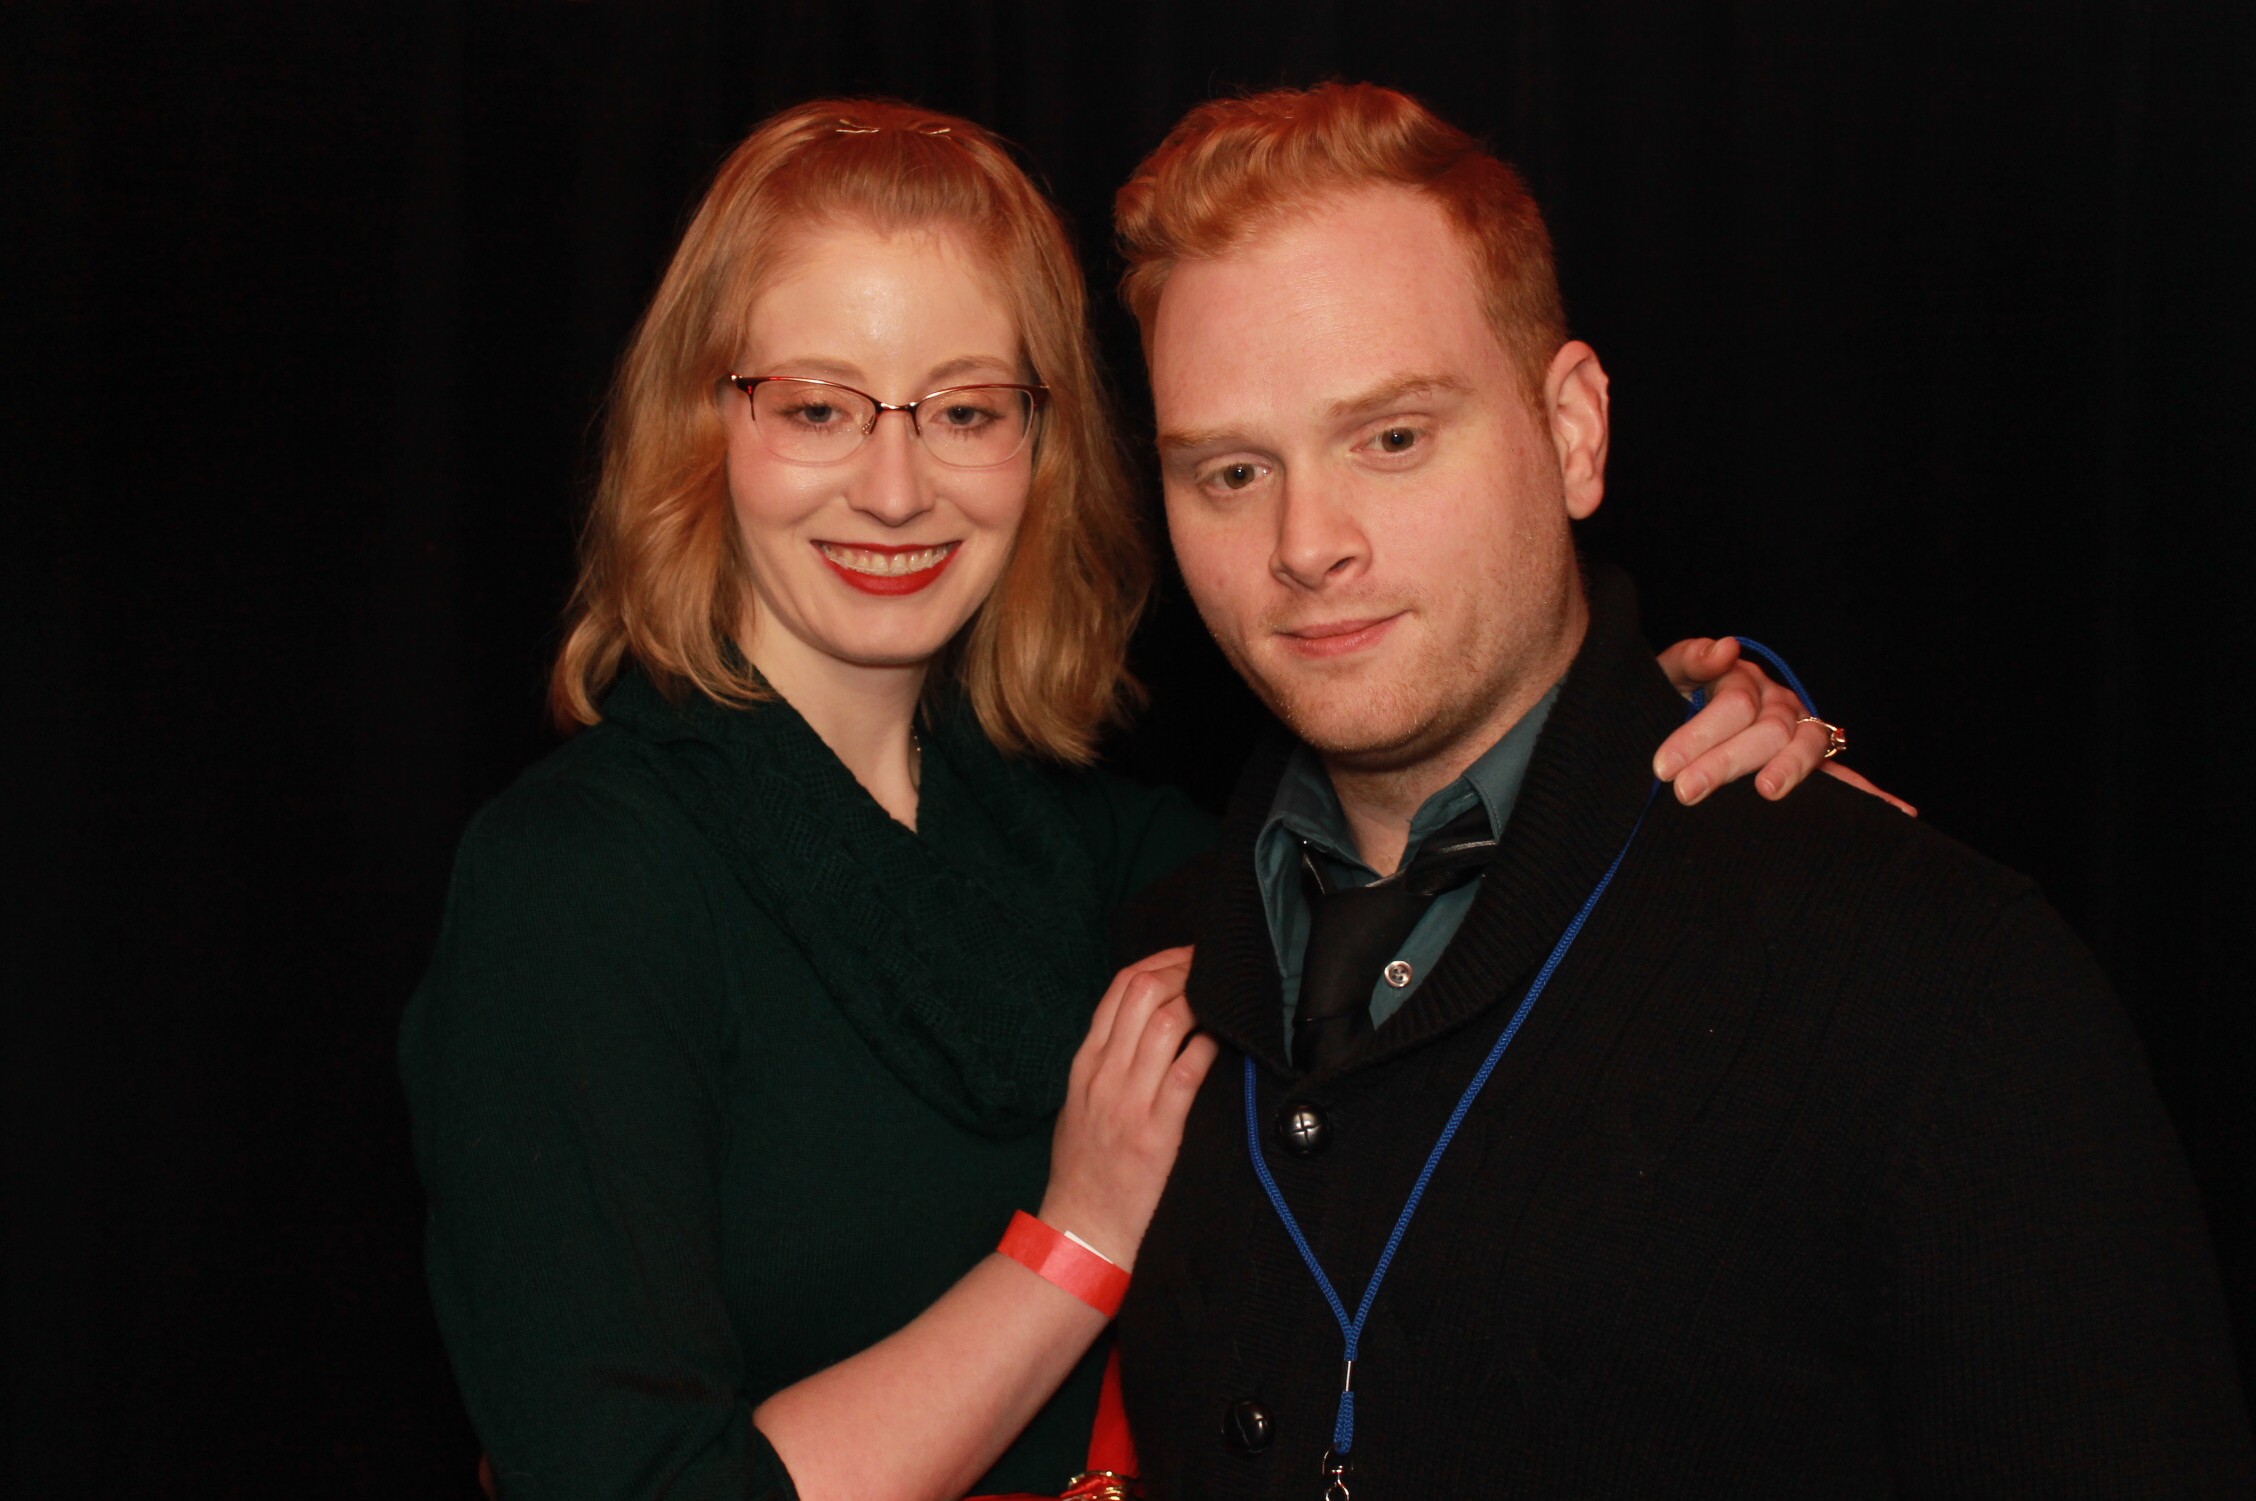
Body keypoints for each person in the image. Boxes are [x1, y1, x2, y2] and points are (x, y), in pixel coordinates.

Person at [401, 97, 1851, 1501]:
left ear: (1047, 444)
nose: (897, 488)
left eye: (967, 409)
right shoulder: (579, 882)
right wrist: (1074, 1243)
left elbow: (1458, 852)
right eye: (821, 406)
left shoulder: (1104, 850)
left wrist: (1673, 715)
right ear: (700, 424)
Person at [1107, 81, 2255, 1498]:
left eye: (1393, 437)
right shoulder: (1141, 972)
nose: (1306, 541)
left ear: (1574, 431)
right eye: (1230, 470)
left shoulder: (1933, 982)